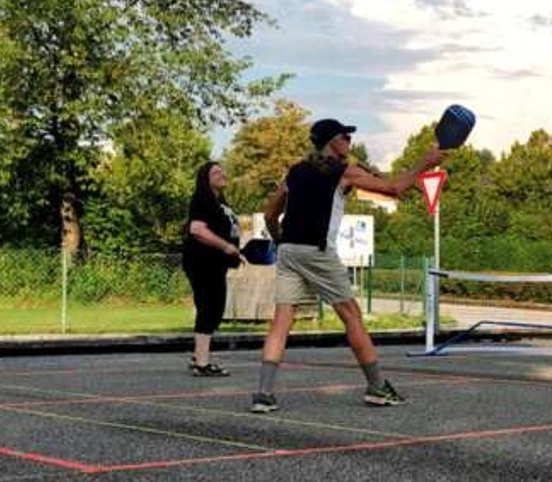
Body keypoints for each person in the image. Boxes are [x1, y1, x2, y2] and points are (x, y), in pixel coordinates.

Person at [250, 118, 445, 413]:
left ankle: (263, 394)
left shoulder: (295, 171)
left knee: (282, 321)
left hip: (289, 250)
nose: (350, 142)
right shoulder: (344, 173)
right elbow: (394, 188)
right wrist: (425, 163)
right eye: (346, 137)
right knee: (352, 315)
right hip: (317, 250)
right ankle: (378, 387)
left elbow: (269, 214)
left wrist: (280, 241)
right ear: (333, 142)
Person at [182, 161, 244, 377]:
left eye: (222, 171)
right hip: (202, 261)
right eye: (216, 172)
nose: (222, 174)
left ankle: (199, 354)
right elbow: (197, 229)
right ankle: (202, 363)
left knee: (213, 308)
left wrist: (237, 250)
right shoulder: (202, 199)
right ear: (205, 178)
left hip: (216, 263)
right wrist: (226, 246)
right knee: (210, 307)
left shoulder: (220, 202)